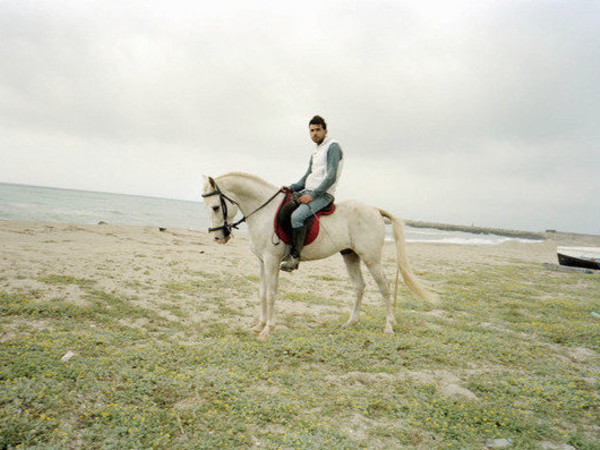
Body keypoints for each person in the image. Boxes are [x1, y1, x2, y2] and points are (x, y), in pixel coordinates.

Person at [280, 115, 344, 272]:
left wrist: (313, 195)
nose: (314, 133)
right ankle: (290, 247)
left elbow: (330, 177)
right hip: (308, 191)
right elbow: (307, 176)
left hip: (323, 195)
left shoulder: (333, 147)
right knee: (285, 210)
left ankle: (295, 258)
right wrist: (292, 187)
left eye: (318, 130)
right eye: (311, 131)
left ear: (325, 131)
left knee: (297, 216)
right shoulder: (316, 152)